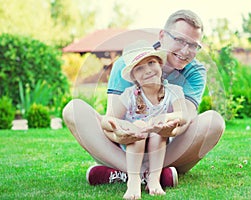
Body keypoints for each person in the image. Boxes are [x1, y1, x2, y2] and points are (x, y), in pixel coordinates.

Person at [63, 8, 225, 193]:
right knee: (73, 109)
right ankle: (146, 173)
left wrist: (167, 126)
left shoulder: (194, 72)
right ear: (163, 36)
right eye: (179, 40)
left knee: (215, 122)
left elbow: (186, 117)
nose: (185, 50)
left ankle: (126, 173)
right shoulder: (127, 63)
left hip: (166, 146)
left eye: (193, 45)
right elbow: (112, 120)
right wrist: (120, 134)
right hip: (127, 145)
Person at [101, 40, 188, 199]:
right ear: (133, 76)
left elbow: (183, 115)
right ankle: (133, 180)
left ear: (160, 64)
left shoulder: (174, 91)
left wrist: (165, 118)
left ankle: (154, 180)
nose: (147, 70)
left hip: (158, 147)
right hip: (133, 147)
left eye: (151, 63)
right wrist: (120, 125)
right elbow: (107, 120)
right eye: (139, 68)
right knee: (139, 125)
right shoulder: (129, 95)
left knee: (157, 131)